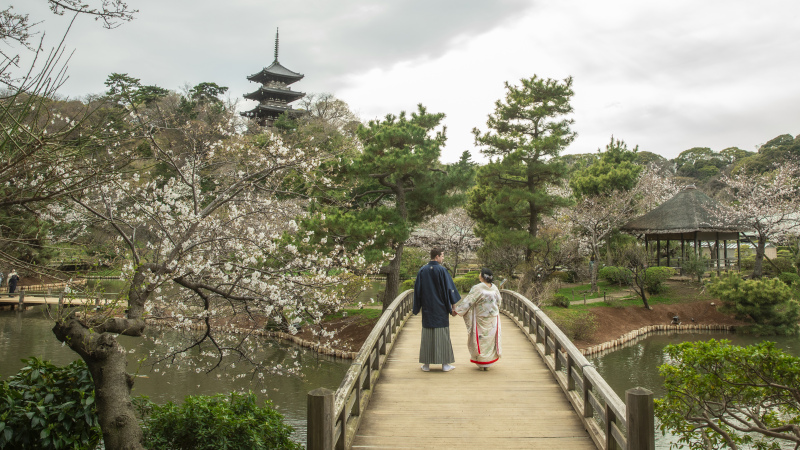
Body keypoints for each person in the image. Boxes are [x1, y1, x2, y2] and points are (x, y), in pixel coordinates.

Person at [413, 248, 461, 372]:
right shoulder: (442, 271)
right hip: (441, 308)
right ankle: (445, 365)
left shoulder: (422, 271)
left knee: (427, 334)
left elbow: (417, 291)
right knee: (443, 334)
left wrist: (416, 308)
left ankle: (426, 365)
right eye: (442, 256)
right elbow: (450, 289)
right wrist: (453, 307)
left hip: (428, 308)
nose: (443, 258)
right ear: (437, 256)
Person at [454, 268, 502, 370]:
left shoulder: (478, 288)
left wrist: (457, 310)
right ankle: (488, 363)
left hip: (481, 317)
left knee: (481, 339)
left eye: (480, 273)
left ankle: (482, 362)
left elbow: (469, 301)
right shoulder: (495, 288)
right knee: (489, 339)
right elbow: (499, 302)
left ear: (483, 276)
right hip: (493, 318)